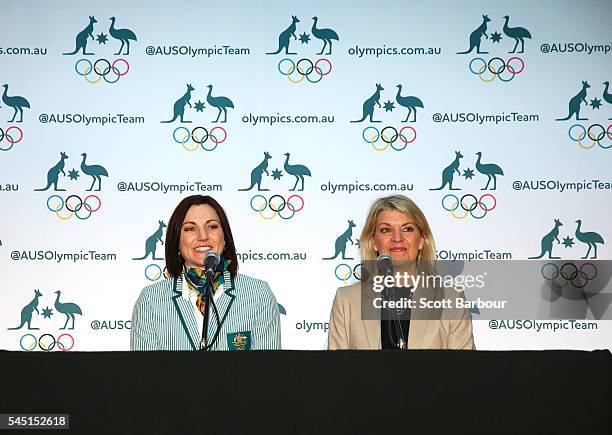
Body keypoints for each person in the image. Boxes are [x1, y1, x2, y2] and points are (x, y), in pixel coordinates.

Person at [131, 195, 281, 351]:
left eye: (212, 227)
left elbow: (268, 371)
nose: (202, 237)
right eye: (190, 228)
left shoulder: (258, 294)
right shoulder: (150, 300)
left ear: (224, 238)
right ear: (177, 240)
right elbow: (142, 373)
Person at [328, 195, 475, 350]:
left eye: (407, 229)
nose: (397, 238)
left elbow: (465, 370)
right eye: (386, 230)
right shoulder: (347, 300)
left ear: (421, 241)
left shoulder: (450, 298)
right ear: (373, 243)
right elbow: (337, 370)